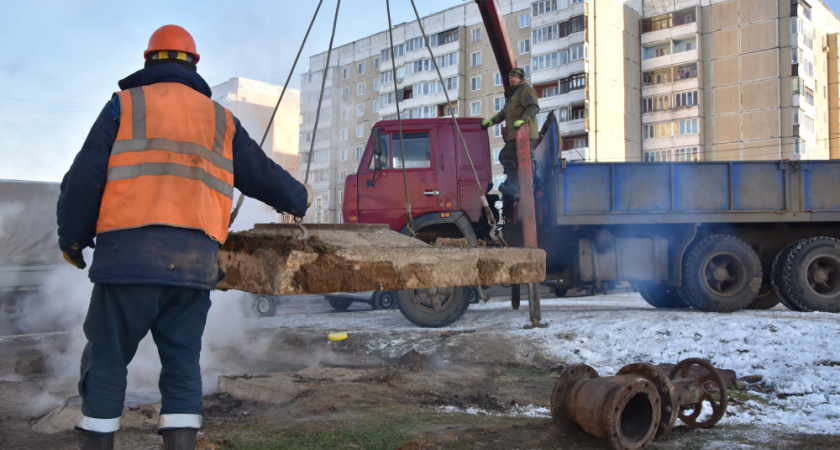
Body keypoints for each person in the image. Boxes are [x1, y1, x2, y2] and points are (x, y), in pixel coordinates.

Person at [56, 25, 312, 450]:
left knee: (106, 361)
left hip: (126, 262)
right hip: (193, 267)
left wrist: (72, 239)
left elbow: (83, 179)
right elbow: (262, 174)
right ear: (194, 64)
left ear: (147, 59)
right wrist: (298, 198)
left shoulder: (124, 106)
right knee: (181, 365)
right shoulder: (219, 119)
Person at [481, 67, 540, 198]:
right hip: (515, 135)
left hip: (526, 134)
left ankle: (527, 184)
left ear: (520, 78)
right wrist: (492, 122)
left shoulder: (525, 89)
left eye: (513, 76)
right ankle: (515, 184)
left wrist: (524, 121)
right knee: (506, 156)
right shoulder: (513, 93)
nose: (510, 79)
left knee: (519, 158)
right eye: (510, 77)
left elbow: (533, 107)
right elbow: (504, 112)